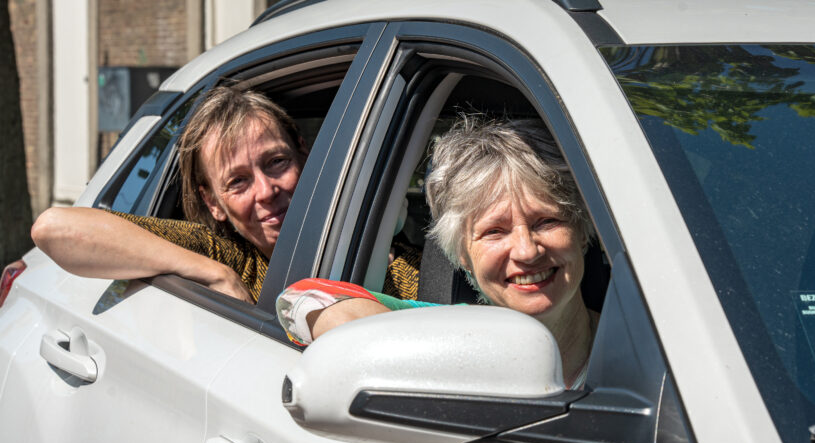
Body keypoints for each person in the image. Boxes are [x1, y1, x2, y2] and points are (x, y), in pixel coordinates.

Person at [276, 116, 599, 389]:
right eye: (494, 231)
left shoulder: (645, 342)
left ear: (582, 230)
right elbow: (301, 299)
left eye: (546, 221)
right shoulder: (449, 330)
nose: (527, 251)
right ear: (462, 254)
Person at [31, 85, 418, 304]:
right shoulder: (226, 255)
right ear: (213, 203)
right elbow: (55, 229)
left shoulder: (391, 252)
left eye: (277, 162)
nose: (266, 191)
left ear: (303, 153)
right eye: (237, 182)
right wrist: (215, 274)